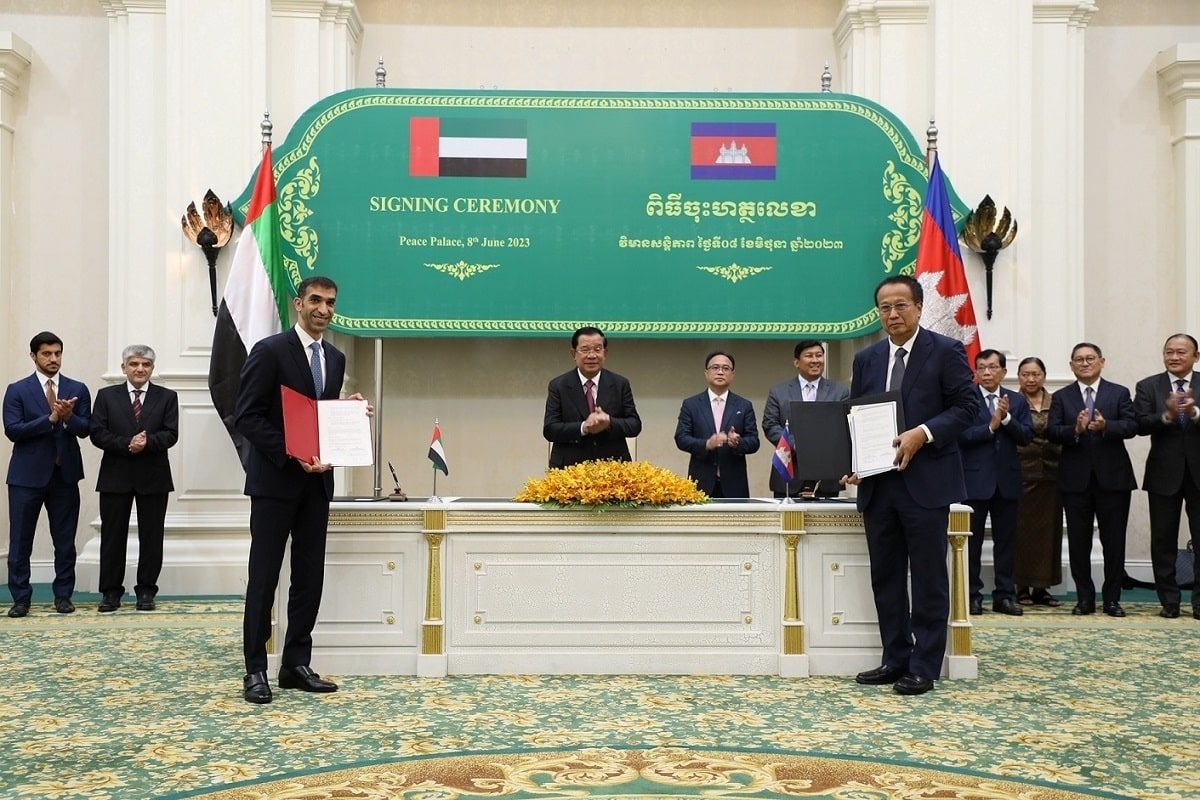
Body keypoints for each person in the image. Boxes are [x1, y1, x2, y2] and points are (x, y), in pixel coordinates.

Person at [842, 275, 979, 696]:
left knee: (927, 578)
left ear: (919, 307)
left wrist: (923, 432)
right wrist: (851, 462)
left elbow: (967, 408)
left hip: (926, 483)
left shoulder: (946, 350)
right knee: (885, 577)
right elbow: (856, 417)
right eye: (885, 307)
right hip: (879, 487)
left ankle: (924, 665)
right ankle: (894, 658)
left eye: (901, 305)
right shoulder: (867, 360)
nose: (893, 314)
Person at [235, 276, 367, 704]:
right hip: (275, 483)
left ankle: (295, 664)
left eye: (330, 302)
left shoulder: (335, 357)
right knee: (264, 577)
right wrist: (291, 452)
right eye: (315, 300)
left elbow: (319, 416)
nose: (323, 309)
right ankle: (255, 669)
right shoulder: (269, 351)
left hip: (317, 486)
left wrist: (346, 414)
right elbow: (248, 417)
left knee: (309, 578)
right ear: (298, 304)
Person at [4, 332, 91, 618]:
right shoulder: (17, 390)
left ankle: (63, 596)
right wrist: (50, 419)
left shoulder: (77, 388)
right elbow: (13, 430)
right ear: (33, 356)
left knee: (65, 541)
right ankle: (20, 599)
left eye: (57, 353)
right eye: (46, 354)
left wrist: (68, 417)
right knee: (20, 541)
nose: (53, 359)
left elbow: (85, 429)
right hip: (26, 478)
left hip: (64, 476)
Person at [1047, 342, 1138, 618]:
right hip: (1075, 480)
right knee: (1078, 542)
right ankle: (1084, 598)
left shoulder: (1118, 393)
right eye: (1079, 360)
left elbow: (1132, 426)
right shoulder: (1062, 396)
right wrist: (1074, 430)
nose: (1084, 363)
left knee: (1114, 542)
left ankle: (1112, 599)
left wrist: (1106, 426)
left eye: (1090, 359)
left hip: (1114, 479)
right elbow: (1052, 431)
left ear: (1102, 361)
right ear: (1071, 365)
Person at [89, 345, 179, 613]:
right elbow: (97, 433)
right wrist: (127, 443)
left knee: (152, 537)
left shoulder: (167, 397)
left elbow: (171, 434)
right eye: (134, 364)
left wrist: (147, 442)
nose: (140, 369)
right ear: (123, 367)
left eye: (146, 365)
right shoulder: (106, 396)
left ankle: (146, 592)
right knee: (112, 537)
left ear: (152, 368)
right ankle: (111, 593)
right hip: (115, 476)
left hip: (154, 477)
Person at [958, 349, 1033, 616]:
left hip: (1007, 481)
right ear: (975, 372)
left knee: (1006, 542)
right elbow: (960, 436)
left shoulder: (1015, 400)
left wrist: (1007, 418)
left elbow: (1026, 436)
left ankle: (1004, 595)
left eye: (992, 367)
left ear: (1003, 371)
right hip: (974, 481)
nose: (987, 372)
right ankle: (971, 595)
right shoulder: (966, 399)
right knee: (971, 542)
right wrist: (990, 427)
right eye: (982, 368)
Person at [1133, 333, 1200, 620]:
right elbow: (1139, 423)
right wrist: (1168, 416)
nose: (1174, 357)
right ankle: (1169, 601)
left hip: (1198, 473)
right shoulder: (1149, 385)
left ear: (1195, 357)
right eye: (1169, 352)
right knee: (1163, 539)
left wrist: (1194, 412)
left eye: (1181, 352)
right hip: (1163, 473)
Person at [543, 326, 642, 468]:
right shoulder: (559, 385)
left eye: (597, 349)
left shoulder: (620, 384)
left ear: (605, 352)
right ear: (573, 354)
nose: (592, 355)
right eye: (585, 350)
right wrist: (584, 427)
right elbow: (550, 430)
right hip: (569, 470)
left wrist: (609, 422)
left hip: (613, 469)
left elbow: (634, 426)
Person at [761, 339, 849, 497]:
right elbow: (770, 425)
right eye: (809, 356)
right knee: (788, 522)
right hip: (789, 472)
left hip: (826, 475)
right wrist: (796, 445)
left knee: (826, 522)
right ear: (797, 362)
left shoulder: (840, 392)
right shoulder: (778, 392)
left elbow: (844, 427)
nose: (815, 360)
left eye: (819, 355)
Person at [1013, 357, 1064, 607]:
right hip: (1022, 473)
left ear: (1044, 376)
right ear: (1018, 376)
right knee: (1022, 533)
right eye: (1025, 375)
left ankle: (1042, 588)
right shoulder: (1011, 402)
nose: (1030, 379)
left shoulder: (1057, 402)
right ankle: (1021, 587)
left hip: (1052, 474)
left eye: (1035, 374)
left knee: (1049, 533)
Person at [674, 351, 760, 498]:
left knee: (735, 522)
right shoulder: (691, 404)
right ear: (706, 373)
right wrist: (707, 444)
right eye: (715, 367)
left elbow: (754, 442)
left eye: (726, 368)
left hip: (734, 483)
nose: (720, 372)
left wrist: (737, 442)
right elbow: (681, 438)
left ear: (733, 375)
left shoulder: (744, 405)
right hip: (701, 481)